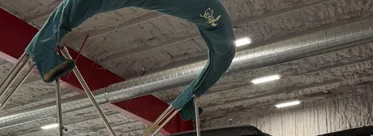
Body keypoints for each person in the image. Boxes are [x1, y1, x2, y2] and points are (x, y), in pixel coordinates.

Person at [26, 0, 236, 120]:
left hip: (208, 14)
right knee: (224, 48)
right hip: (208, 15)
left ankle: (188, 99)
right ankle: (189, 99)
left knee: (225, 48)